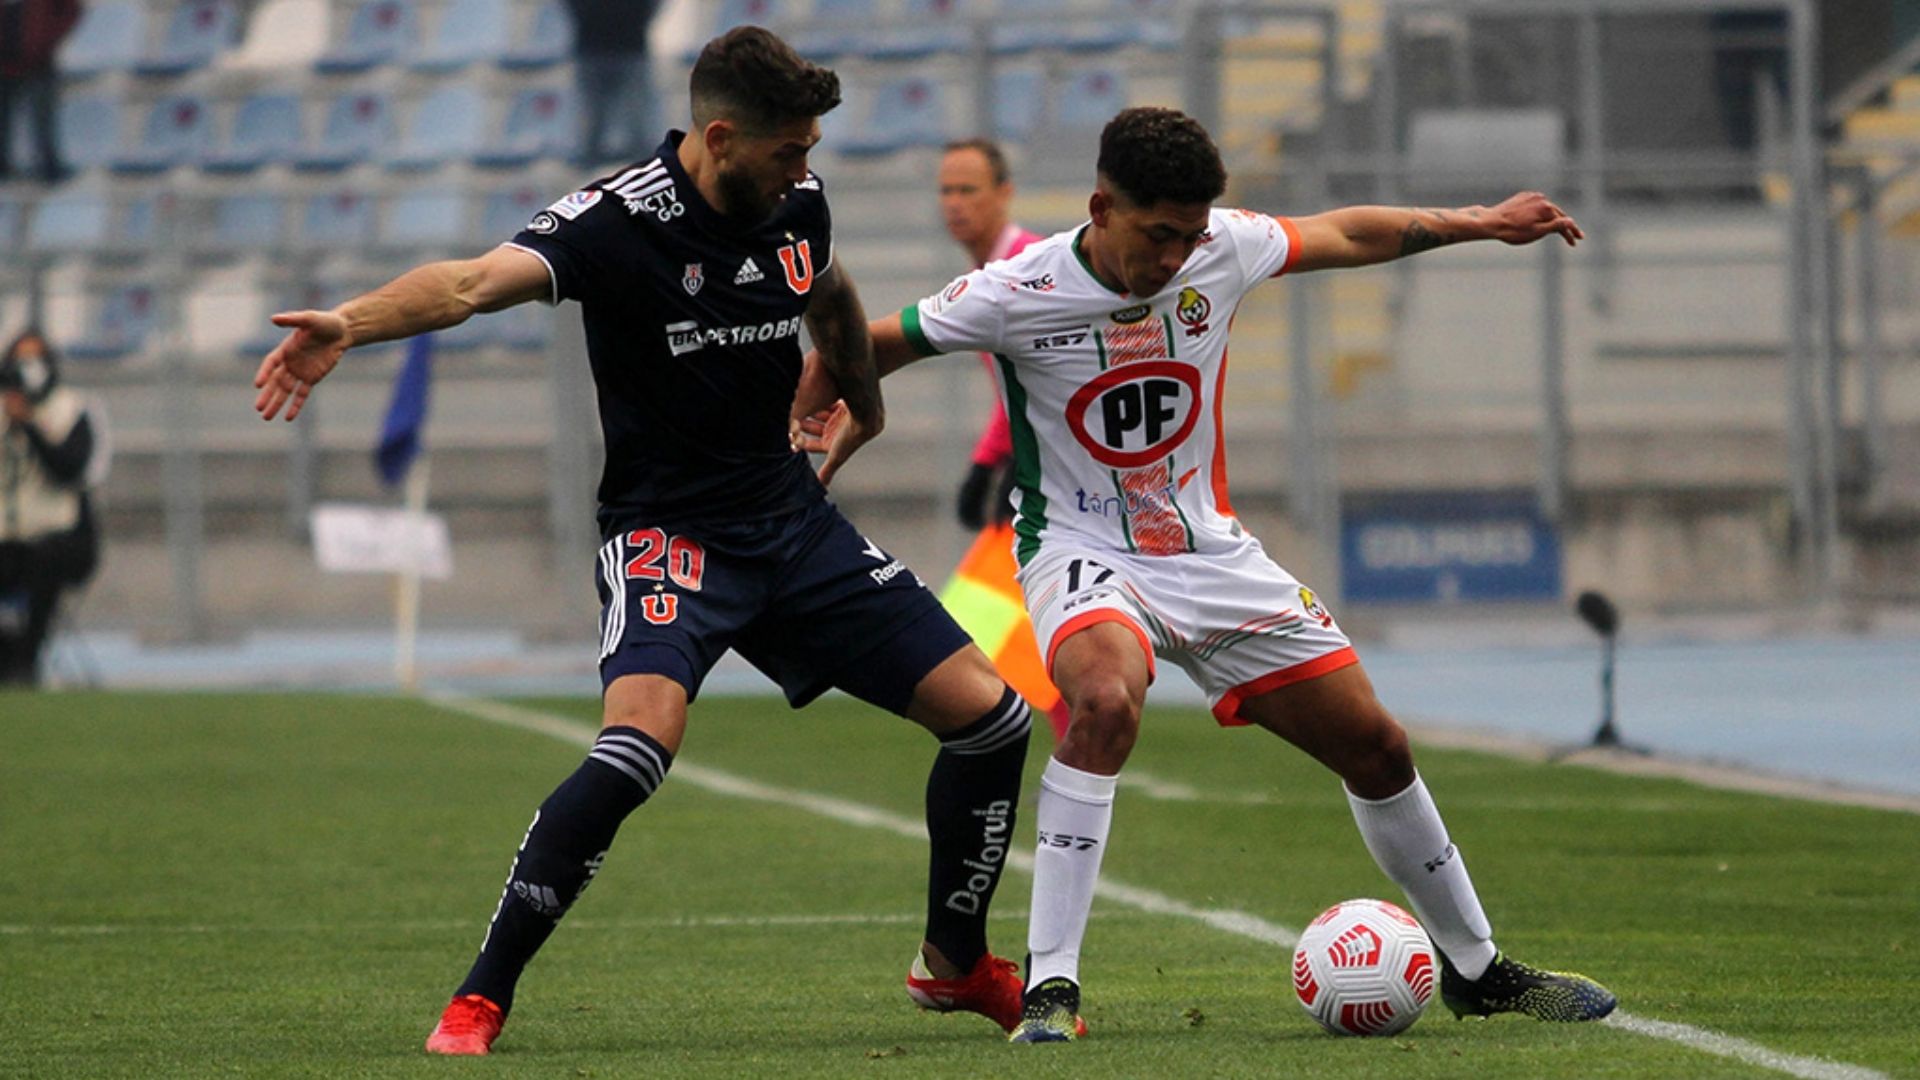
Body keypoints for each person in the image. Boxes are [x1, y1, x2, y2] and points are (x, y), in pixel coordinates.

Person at [254, 26, 1055, 1056]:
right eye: (789, 151)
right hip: (668, 536)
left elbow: (834, 291)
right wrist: (351, 325)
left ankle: (954, 964)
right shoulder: (612, 223)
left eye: (812, 151)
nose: (806, 170)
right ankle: (482, 994)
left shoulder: (795, 204)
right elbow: (464, 285)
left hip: (792, 524)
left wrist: (864, 399)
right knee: (638, 745)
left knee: (992, 721)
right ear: (721, 138)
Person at [795, 106, 1617, 1043]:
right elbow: (867, 343)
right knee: (1104, 702)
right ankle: (1053, 989)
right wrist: (835, 410)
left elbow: (1348, 231)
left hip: (1211, 553)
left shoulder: (1221, 247)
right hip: (1082, 550)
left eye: (1191, 235)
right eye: (1158, 235)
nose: (1179, 257)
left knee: (1379, 748)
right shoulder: (1015, 289)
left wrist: (1480, 221)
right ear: (1102, 207)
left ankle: (1478, 968)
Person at [932, 137, 1072, 741]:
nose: (955, 203)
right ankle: (1078, 745)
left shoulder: (1025, 265)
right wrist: (986, 463)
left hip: (1067, 480)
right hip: (1040, 469)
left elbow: (1060, 375)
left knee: (998, 637)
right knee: (997, 635)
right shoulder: (991, 269)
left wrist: (1014, 459)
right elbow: (1011, 388)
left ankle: (1082, 751)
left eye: (969, 189)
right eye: (946, 190)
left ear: (1004, 194)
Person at [0, 328, 101, 685]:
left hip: (61, 538)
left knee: (45, 560)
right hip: (9, 537)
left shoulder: (73, 409)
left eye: (34, 359)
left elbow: (71, 468)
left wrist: (29, 425)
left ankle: (26, 663)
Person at [565, 0, 661, 167]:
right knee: (591, 126)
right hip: (592, 50)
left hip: (630, 49)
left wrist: (640, 19)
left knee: (638, 123)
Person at [0, 0, 82, 183]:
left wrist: (46, 39)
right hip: (5, 65)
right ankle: (3, 166)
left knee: (43, 116)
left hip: (39, 63)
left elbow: (70, 10)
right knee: (4, 116)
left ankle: (48, 167)